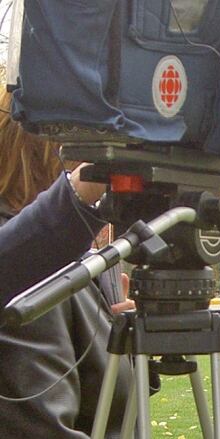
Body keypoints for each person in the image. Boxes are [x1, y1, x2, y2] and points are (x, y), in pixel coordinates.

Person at [0, 90, 134, 438]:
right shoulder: (29, 266)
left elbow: (112, 404)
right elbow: (37, 426)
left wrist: (126, 340)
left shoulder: (80, 253)